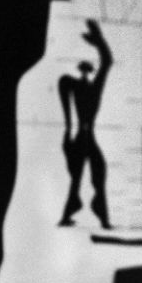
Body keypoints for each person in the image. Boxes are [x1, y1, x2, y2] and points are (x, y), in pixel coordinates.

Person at [58, 19, 113, 229]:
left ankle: (98, 211)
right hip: (82, 136)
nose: (85, 73)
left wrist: (99, 40)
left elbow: (107, 61)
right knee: (80, 175)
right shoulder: (77, 87)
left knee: (96, 172)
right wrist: (68, 130)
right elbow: (64, 90)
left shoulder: (90, 88)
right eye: (84, 70)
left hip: (86, 136)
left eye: (87, 70)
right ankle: (76, 211)